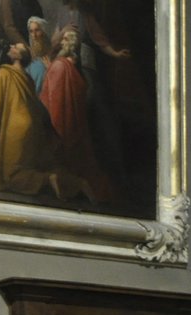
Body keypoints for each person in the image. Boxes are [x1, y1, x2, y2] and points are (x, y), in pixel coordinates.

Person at [0, 42, 85, 200]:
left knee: (10, 176)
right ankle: (70, 182)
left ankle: (48, 179)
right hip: (31, 125)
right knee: (26, 165)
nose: (11, 47)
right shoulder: (27, 78)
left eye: (16, 47)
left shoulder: (5, 72)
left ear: (19, 56)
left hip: (16, 127)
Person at [37, 27, 114, 202]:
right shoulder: (69, 66)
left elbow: (51, 99)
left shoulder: (60, 65)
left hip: (60, 121)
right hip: (74, 123)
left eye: (64, 40)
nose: (61, 43)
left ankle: (70, 187)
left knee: (61, 158)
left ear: (69, 43)